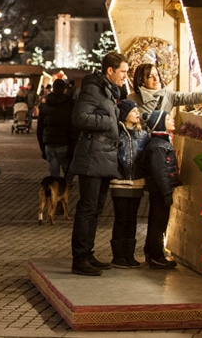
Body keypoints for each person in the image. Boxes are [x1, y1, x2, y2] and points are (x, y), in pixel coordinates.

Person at [69, 51, 129, 276]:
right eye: (123, 71)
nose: (125, 76)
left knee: (95, 209)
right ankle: (80, 258)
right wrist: (107, 121)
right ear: (110, 71)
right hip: (92, 157)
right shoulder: (93, 88)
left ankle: (88, 254)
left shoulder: (109, 90)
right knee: (87, 208)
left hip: (103, 157)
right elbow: (80, 117)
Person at [109, 99, 148, 268]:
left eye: (137, 111)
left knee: (132, 218)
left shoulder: (143, 134)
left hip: (137, 182)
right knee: (121, 217)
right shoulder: (117, 133)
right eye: (133, 111)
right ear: (124, 115)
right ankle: (118, 256)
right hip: (119, 181)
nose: (137, 113)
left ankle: (129, 254)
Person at [142, 110, 180, 269]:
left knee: (156, 222)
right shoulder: (159, 146)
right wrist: (166, 193)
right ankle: (156, 255)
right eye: (169, 118)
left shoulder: (161, 143)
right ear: (160, 123)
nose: (173, 121)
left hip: (159, 190)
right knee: (158, 223)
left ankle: (152, 253)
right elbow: (160, 172)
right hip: (160, 191)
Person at [36, 79, 76, 182]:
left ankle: (55, 194)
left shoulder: (45, 106)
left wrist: (42, 146)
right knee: (68, 172)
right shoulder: (70, 106)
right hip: (64, 143)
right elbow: (73, 128)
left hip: (49, 144)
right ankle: (65, 192)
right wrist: (73, 146)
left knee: (53, 175)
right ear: (64, 90)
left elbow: (40, 128)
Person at [128, 63, 202, 115]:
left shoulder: (167, 95)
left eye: (157, 75)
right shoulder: (132, 99)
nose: (156, 79)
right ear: (141, 81)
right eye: (150, 76)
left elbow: (190, 97)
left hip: (162, 138)